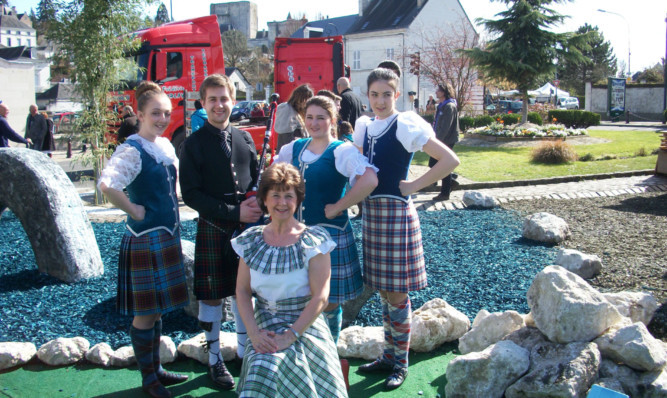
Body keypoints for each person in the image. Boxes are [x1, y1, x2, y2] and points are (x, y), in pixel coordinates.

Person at [353, 67, 459, 390]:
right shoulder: (364, 127)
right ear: (367, 95)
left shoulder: (406, 124)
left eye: (387, 94)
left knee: (397, 294)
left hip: (397, 216)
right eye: (374, 94)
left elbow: (449, 160)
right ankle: (388, 354)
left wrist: (414, 185)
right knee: (385, 293)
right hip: (372, 216)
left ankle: (401, 362)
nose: (380, 101)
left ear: (396, 95)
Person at [98, 81, 189, 398]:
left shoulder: (163, 146)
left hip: (166, 237)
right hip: (146, 240)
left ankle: (157, 370)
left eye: (166, 112)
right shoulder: (132, 148)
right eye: (155, 113)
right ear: (139, 114)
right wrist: (134, 209)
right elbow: (107, 184)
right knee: (146, 312)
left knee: (158, 310)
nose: (163, 118)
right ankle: (148, 379)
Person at [231, 162, 349, 398]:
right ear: (264, 199)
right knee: (262, 367)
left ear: (298, 199)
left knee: (288, 369)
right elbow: (242, 291)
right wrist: (253, 333)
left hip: (305, 325)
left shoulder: (313, 241)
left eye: (288, 195)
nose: (282, 203)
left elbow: (321, 297)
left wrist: (291, 335)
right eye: (275, 195)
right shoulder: (251, 240)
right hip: (264, 325)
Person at [179, 74, 263, 390]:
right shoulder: (193, 144)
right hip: (214, 227)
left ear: (233, 100)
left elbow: (255, 179)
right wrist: (234, 212)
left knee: (245, 291)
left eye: (224, 98)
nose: (219, 105)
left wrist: (257, 204)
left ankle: (245, 354)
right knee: (213, 296)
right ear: (203, 104)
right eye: (212, 99)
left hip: (246, 231)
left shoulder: (244, 139)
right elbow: (192, 195)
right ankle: (214, 360)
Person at [275, 96, 377, 345]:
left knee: (330, 300)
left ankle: (329, 350)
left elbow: (370, 180)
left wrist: (340, 206)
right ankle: (306, 348)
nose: (314, 122)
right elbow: (273, 180)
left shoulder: (341, 151)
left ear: (332, 120)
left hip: (330, 238)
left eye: (321, 117)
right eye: (309, 117)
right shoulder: (294, 149)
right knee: (301, 297)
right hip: (296, 236)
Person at [431, 83, 460, 201]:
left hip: (446, 140)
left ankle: (445, 193)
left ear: (444, 92)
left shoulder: (449, 106)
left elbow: (445, 127)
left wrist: (437, 141)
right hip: (440, 139)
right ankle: (451, 180)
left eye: (439, 90)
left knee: (442, 165)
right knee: (433, 164)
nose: (436, 92)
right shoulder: (441, 106)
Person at [274, 84, 313, 152]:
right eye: (306, 98)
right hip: (290, 154)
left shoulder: (298, 112)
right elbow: (287, 138)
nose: (307, 102)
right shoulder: (287, 110)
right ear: (299, 98)